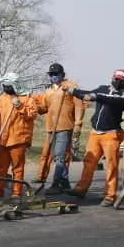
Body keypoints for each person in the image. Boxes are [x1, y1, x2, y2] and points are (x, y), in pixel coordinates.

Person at [65, 69, 124, 204]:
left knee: (111, 166)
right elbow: (88, 94)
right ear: (112, 77)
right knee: (89, 162)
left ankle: (110, 196)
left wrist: (95, 97)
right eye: (116, 79)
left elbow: (109, 100)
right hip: (95, 133)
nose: (117, 82)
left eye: (121, 80)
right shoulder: (102, 88)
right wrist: (72, 91)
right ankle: (81, 189)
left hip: (112, 134)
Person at [32, 63, 86, 194]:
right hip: (51, 127)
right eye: (51, 74)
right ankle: (65, 182)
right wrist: (34, 107)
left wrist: (78, 124)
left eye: (56, 74)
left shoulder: (70, 87)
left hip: (65, 126)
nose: (53, 76)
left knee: (60, 156)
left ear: (62, 74)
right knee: (55, 155)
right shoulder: (49, 90)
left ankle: (56, 183)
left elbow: (79, 106)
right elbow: (45, 107)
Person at [0, 72, 40, 200]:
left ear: (15, 85)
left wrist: (20, 106)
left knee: (17, 169)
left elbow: (32, 115)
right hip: (2, 139)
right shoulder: (2, 98)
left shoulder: (27, 99)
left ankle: (16, 193)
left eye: (7, 85)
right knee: (0, 168)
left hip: (18, 139)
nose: (5, 87)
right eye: (4, 85)